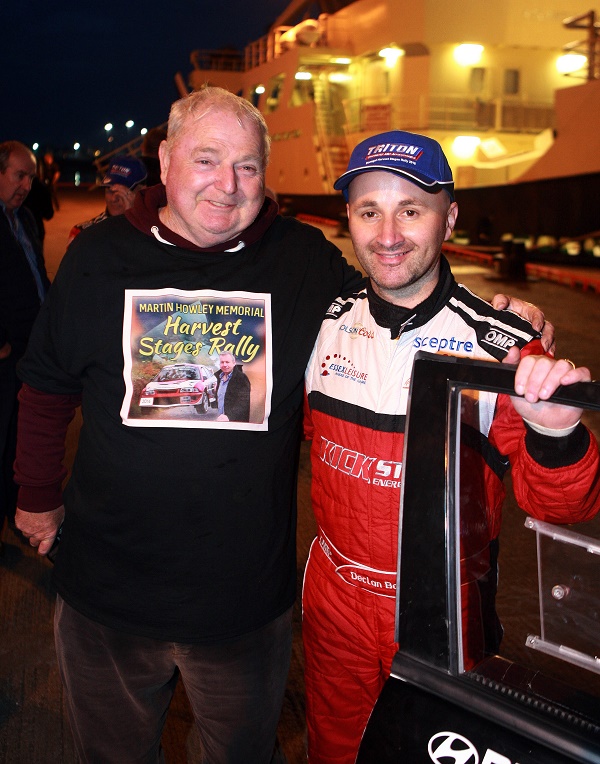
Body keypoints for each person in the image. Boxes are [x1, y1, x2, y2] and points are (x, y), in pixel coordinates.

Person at [12, 85, 550, 760]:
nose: (227, 185)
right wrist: (36, 498)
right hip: (106, 591)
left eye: (247, 166)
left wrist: (503, 325)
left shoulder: (302, 261)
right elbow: (46, 384)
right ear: (167, 158)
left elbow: (394, 296)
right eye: (207, 160)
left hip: (243, 606)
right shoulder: (98, 257)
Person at [302, 130, 600, 763]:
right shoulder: (319, 322)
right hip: (333, 597)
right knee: (334, 749)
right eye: (368, 211)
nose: (387, 234)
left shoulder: (504, 346)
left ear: (450, 217)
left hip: (445, 606)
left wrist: (554, 431)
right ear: (346, 219)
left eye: (411, 209)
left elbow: (563, 507)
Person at [0, 141, 50, 545]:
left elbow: (38, 276)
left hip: (28, 352)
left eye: (31, 177)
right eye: (19, 175)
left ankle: (16, 517)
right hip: (4, 354)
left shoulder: (25, 219)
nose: (27, 185)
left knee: (19, 441)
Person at [67, 154, 147, 244]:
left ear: (142, 191)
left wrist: (128, 221)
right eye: (110, 190)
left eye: (123, 192)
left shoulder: (153, 232)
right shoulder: (82, 233)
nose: (113, 199)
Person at [215, 351, 251, 422]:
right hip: (221, 421)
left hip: (235, 422)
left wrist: (229, 416)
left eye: (227, 362)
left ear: (234, 363)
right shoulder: (219, 378)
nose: (225, 365)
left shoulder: (241, 378)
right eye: (222, 362)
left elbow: (244, 402)